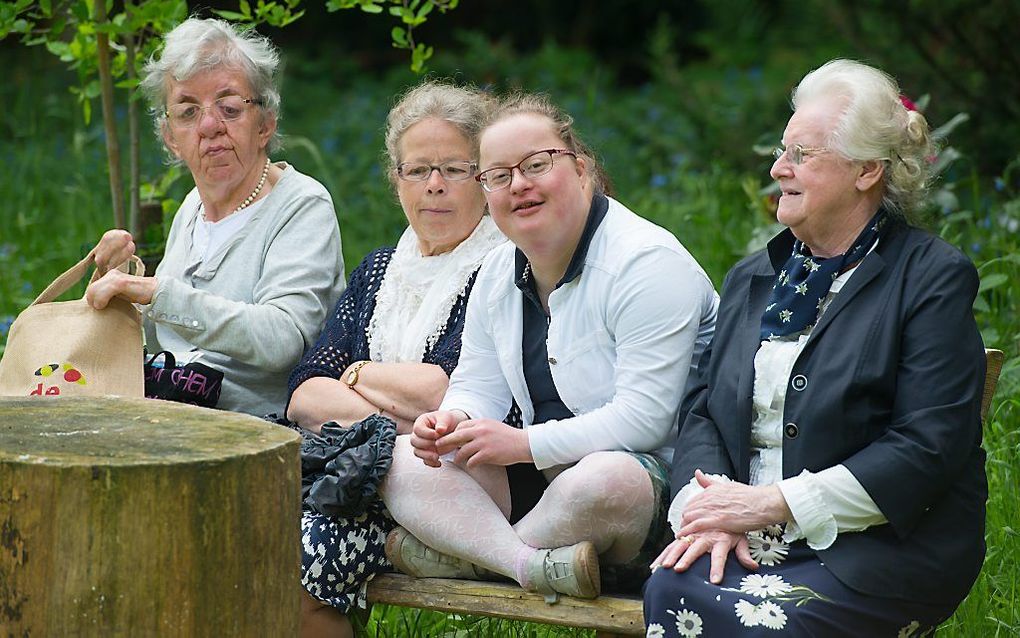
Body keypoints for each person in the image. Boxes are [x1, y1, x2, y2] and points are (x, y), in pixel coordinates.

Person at [643, 59, 987, 637]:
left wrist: (772, 504)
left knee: (765, 621)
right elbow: (703, 413)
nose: (778, 168)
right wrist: (708, 517)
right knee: (671, 585)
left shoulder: (931, 277)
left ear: (867, 171)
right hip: (750, 539)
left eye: (802, 155)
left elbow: (928, 445)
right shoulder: (753, 278)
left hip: (883, 548)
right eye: (782, 152)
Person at [379, 93, 719, 601]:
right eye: (497, 175)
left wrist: (523, 444)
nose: (519, 184)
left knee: (606, 478)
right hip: (547, 490)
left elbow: (645, 422)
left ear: (581, 170)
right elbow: (478, 384)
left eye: (537, 164)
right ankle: (527, 564)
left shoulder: (646, 264)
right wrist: (450, 420)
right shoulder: (497, 270)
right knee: (402, 457)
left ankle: (472, 557)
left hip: (651, 489)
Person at [287, 81, 506, 638]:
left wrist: (356, 375)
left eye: (455, 169)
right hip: (359, 477)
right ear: (397, 180)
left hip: (451, 489)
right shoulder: (379, 270)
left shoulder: (502, 269)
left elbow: (445, 390)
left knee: (297, 557)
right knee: (244, 531)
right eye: (417, 170)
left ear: (485, 178)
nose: (434, 186)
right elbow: (305, 391)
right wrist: (396, 427)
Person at [85, 18, 343, 416]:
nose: (209, 126)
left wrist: (156, 293)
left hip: (259, 436)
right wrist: (123, 283)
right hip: (174, 414)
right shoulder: (192, 208)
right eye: (188, 111)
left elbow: (283, 338)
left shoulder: (302, 205)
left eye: (229, 107)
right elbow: (168, 339)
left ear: (265, 124)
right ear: (171, 139)